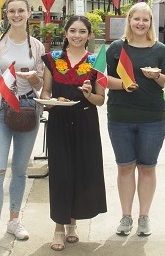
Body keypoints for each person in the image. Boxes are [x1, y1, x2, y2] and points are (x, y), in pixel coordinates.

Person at [0, 0, 45, 256]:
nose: (16, 15)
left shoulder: (37, 46)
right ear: (5, 15)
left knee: (19, 169)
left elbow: (41, 84)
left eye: (21, 11)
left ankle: (14, 219)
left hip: (28, 110)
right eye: (11, 11)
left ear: (29, 14)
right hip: (0, 111)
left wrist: (35, 77)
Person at [40, 15, 107, 251]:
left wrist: (89, 94)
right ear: (65, 33)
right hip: (59, 121)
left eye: (82, 31)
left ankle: (72, 224)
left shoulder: (97, 61)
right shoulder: (52, 59)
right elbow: (45, 92)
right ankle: (58, 228)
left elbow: (101, 100)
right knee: (61, 174)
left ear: (89, 35)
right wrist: (50, 101)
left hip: (86, 122)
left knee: (80, 173)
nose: (77, 35)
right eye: (72, 31)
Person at [106, 2, 165, 237]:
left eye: (146, 19)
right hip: (120, 117)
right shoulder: (116, 48)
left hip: (152, 118)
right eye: (137, 19)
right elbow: (103, 81)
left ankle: (144, 217)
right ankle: (126, 216)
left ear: (151, 23)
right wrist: (123, 85)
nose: (141, 23)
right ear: (129, 21)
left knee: (146, 168)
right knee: (125, 168)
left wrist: (157, 76)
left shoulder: (160, 50)